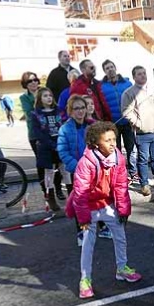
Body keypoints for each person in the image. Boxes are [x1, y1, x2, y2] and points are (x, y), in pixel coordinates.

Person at [65, 121, 142, 299]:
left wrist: (123, 210)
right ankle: (85, 280)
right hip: (90, 207)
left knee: (120, 237)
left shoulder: (118, 158)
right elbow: (80, 193)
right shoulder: (86, 163)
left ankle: (122, 268)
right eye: (107, 140)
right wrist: (83, 218)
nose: (113, 143)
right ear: (95, 143)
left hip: (108, 204)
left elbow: (121, 186)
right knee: (88, 243)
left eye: (114, 139)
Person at [121, 65, 154, 198]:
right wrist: (139, 124)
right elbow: (126, 111)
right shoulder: (129, 93)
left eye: (144, 73)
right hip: (142, 132)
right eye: (139, 74)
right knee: (143, 159)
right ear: (134, 77)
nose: (143, 75)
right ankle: (144, 183)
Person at [58, 95, 96, 246]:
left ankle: (102, 226)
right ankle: (81, 231)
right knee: (80, 202)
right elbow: (63, 152)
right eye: (76, 108)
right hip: (78, 171)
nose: (80, 111)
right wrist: (77, 166)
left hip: (94, 169)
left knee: (98, 199)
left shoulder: (93, 126)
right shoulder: (65, 129)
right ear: (70, 111)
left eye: (82, 107)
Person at [20, 71, 65, 198]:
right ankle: (46, 190)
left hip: (53, 134)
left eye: (35, 79)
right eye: (29, 81)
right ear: (25, 84)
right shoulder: (25, 98)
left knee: (58, 162)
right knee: (44, 164)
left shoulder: (46, 93)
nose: (33, 82)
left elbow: (57, 112)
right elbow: (29, 113)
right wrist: (39, 102)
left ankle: (58, 188)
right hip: (36, 135)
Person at [31, 87, 69, 212]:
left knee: (65, 171)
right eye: (45, 96)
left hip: (61, 144)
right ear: (40, 99)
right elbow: (38, 133)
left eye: (50, 95)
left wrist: (62, 143)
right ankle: (51, 199)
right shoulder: (36, 114)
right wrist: (52, 145)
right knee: (49, 173)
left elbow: (65, 126)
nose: (48, 98)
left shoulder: (59, 111)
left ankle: (72, 196)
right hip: (46, 147)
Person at [101, 60, 135, 177]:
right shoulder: (101, 87)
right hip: (112, 124)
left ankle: (133, 172)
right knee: (116, 150)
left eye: (111, 67)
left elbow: (134, 100)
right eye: (107, 68)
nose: (110, 69)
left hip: (128, 122)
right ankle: (120, 174)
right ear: (104, 71)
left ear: (115, 67)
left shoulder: (127, 83)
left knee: (131, 149)